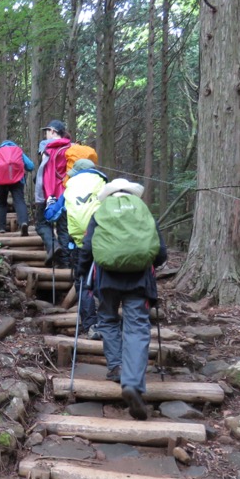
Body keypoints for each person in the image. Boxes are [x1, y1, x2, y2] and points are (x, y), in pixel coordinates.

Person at [76, 178, 167, 421]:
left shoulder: (100, 213)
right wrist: (150, 265)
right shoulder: (143, 212)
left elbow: (87, 248)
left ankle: (116, 366)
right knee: (137, 328)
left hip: (106, 280)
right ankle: (133, 383)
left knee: (107, 319)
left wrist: (80, 272)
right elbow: (161, 252)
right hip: (139, 281)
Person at [62, 159, 107, 339]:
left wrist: (49, 206)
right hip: (103, 242)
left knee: (82, 284)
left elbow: (53, 214)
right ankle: (107, 322)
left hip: (79, 243)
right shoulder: (104, 184)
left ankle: (90, 325)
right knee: (103, 281)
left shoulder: (69, 187)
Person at [36, 120, 72, 265]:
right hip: (67, 194)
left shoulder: (47, 146)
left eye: (47, 131)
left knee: (42, 224)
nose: (45, 134)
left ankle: (53, 246)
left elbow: (43, 172)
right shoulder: (71, 148)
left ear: (52, 131)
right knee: (64, 229)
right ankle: (65, 265)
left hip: (48, 193)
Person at [0, 140, 35, 235]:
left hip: (1, 181)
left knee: (2, 202)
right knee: (19, 201)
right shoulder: (18, 151)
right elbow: (30, 166)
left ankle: (1, 227)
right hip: (18, 180)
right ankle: (23, 223)